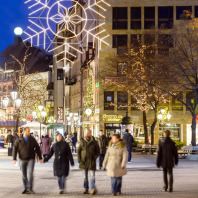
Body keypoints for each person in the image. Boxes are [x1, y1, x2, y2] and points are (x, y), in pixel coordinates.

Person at [13, 127, 43, 194]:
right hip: (22, 159)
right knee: (23, 174)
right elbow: (14, 149)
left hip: (31, 159)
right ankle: (26, 188)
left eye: (29, 131)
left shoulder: (32, 139)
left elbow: (37, 148)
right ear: (24, 132)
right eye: (28, 131)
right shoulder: (18, 139)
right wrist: (14, 158)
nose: (29, 132)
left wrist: (40, 157)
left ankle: (30, 188)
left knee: (30, 174)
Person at [77, 129, 100, 195]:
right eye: (86, 132)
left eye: (89, 132)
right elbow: (79, 151)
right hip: (83, 162)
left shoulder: (94, 142)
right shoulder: (82, 142)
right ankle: (85, 188)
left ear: (91, 133)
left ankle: (93, 189)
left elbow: (98, 151)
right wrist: (79, 160)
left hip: (91, 162)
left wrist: (94, 157)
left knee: (92, 176)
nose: (87, 134)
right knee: (85, 177)